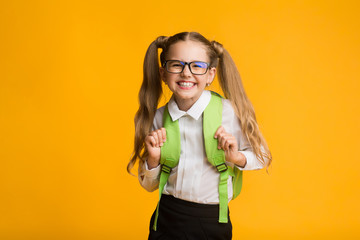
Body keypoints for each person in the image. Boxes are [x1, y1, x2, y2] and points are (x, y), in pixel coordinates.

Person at [127, 32, 272, 240]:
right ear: (163, 73)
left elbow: (263, 157)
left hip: (211, 220)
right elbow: (149, 185)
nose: (186, 73)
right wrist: (153, 159)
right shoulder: (158, 118)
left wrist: (236, 157)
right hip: (167, 216)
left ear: (210, 75)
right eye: (176, 65)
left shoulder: (230, 112)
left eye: (197, 66)